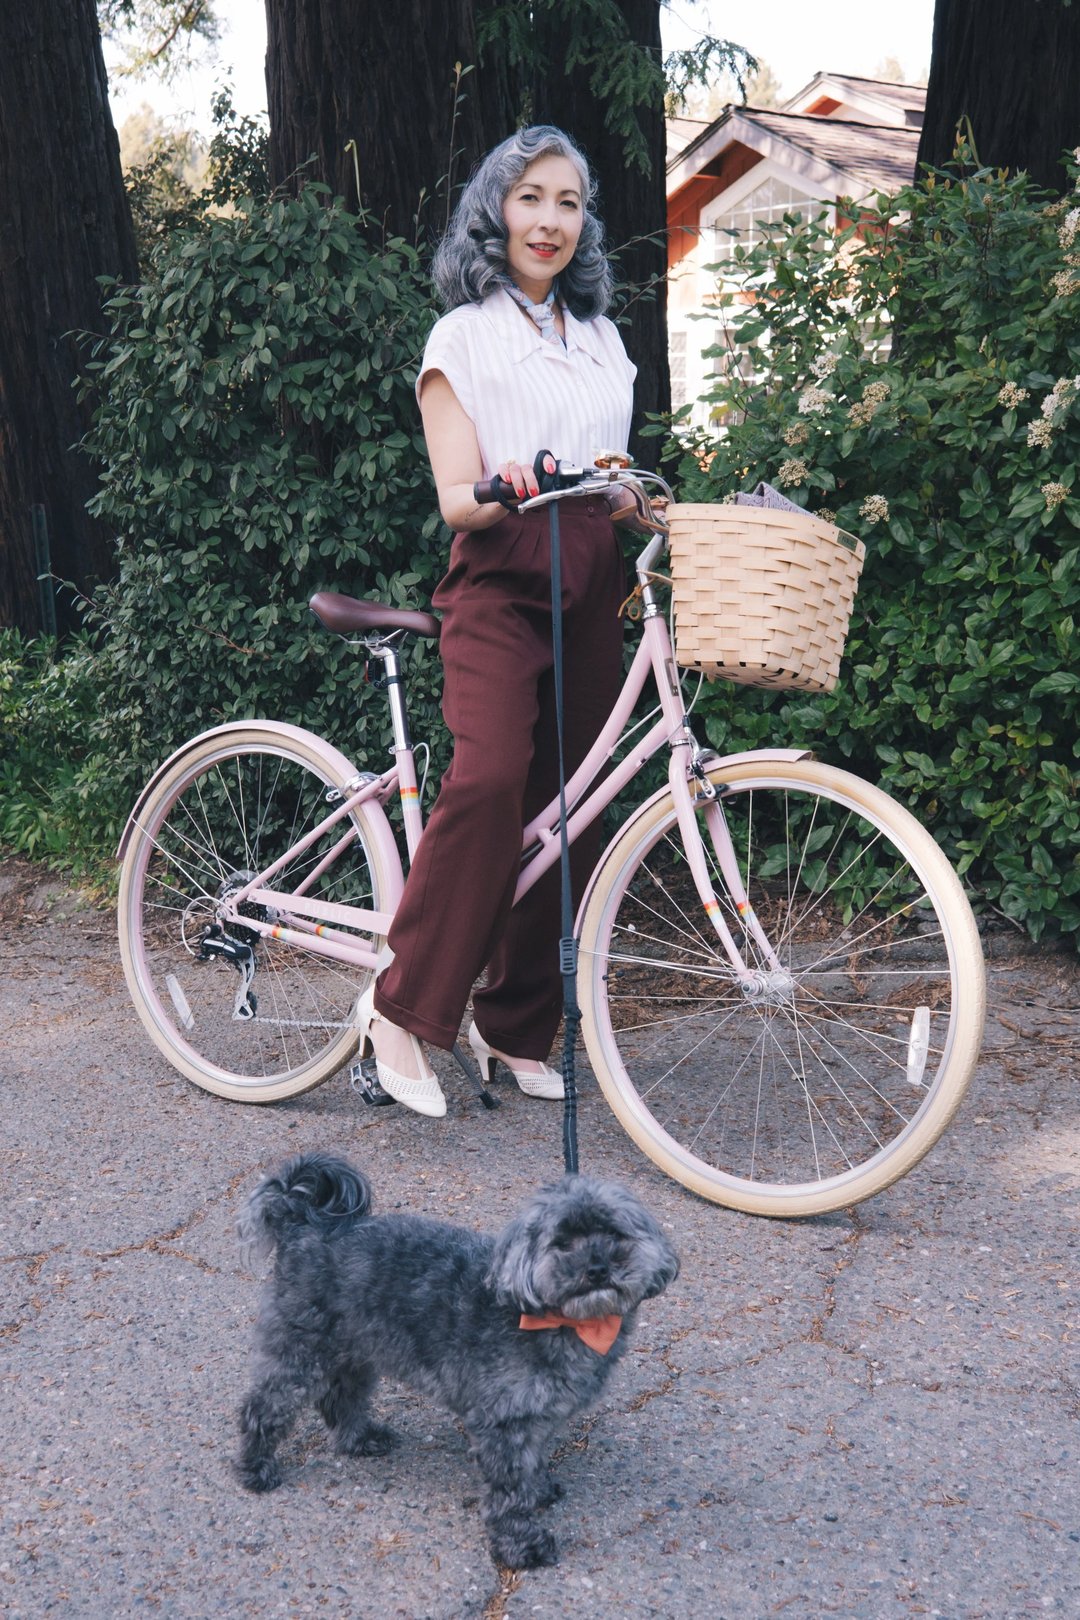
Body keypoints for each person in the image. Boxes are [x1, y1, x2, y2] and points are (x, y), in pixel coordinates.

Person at [357, 124, 638, 1117]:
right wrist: (505, 484)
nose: (550, 221)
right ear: (496, 211)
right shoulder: (464, 337)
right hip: (501, 571)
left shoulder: (603, 339)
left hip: (596, 575)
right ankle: (400, 1008)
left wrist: (646, 507)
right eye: (531, 199)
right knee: (486, 780)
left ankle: (512, 1026)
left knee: (576, 808)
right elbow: (454, 499)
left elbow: (612, 481)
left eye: (568, 202)